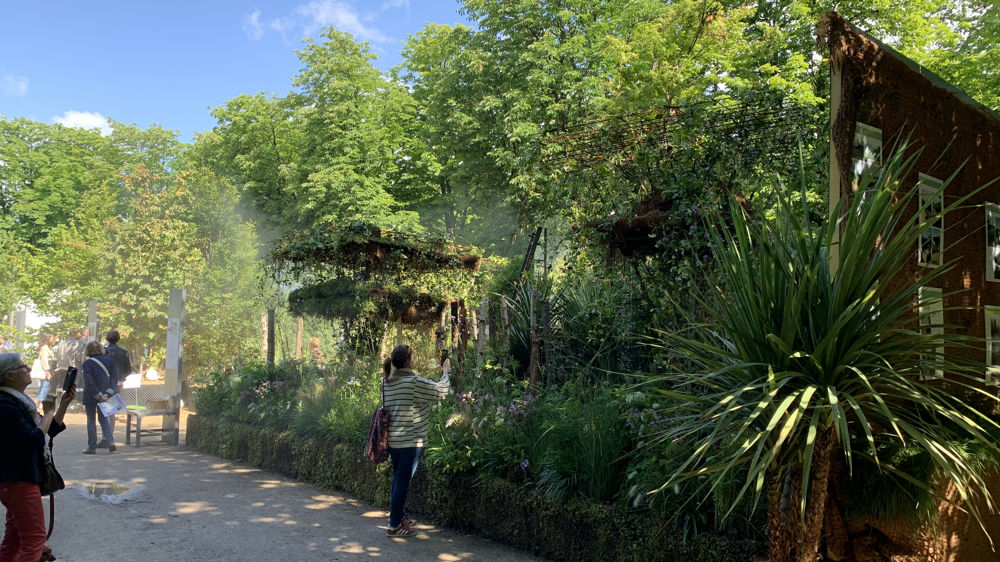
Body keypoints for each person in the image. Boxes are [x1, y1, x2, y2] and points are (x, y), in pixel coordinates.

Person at [0, 352, 75, 561]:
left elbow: (47, 430)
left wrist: (63, 405)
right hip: (19, 479)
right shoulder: (5, 405)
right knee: (34, 540)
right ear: (9, 376)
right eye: (23, 366)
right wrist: (49, 413)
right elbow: (33, 439)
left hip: (17, 479)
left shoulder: (18, 401)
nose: (29, 369)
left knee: (14, 540)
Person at [381, 344, 450, 537]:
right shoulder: (412, 382)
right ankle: (394, 525)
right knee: (402, 482)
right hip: (410, 441)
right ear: (407, 361)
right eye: (412, 357)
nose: (414, 360)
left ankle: (399, 515)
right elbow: (440, 392)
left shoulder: (386, 382)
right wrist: (446, 373)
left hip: (393, 441)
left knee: (398, 479)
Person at [80, 341, 117, 454]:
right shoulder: (109, 361)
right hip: (106, 394)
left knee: (91, 419)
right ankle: (110, 442)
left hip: (91, 395)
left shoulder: (87, 363)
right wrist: (107, 394)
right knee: (103, 418)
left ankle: (92, 447)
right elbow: (114, 378)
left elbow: (89, 381)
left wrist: (98, 395)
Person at [104, 330, 132, 435]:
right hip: (118, 383)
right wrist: (122, 378)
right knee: (112, 410)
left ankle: (105, 434)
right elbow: (128, 370)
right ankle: (110, 433)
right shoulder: (124, 352)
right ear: (118, 339)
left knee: (104, 409)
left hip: (105, 383)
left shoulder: (104, 352)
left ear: (107, 339)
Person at [32, 334, 55, 401]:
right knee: (46, 384)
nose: (52, 339)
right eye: (51, 337)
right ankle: (41, 400)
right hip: (44, 369)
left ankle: (39, 399)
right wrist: (47, 370)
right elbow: (44, 359)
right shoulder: (45, 347)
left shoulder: (45, 347)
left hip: (44, 369)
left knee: (44, 384)